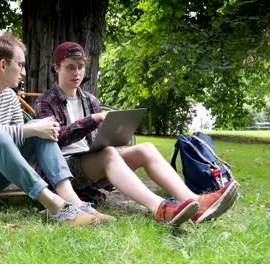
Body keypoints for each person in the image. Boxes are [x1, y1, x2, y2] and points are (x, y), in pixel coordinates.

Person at [35, 41, 240, 227]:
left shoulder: (90, 100)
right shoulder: (45, 102)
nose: (76, 73)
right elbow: (56, 138)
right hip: (65, 171)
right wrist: (93, 120)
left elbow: (97, 140)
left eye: (80, 67)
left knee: (145, 149)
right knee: (108, 154)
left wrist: (113, 139)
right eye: (70, 67)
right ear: (56, 68)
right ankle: (161, 208)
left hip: (93, 163)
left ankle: (195, 202)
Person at [0, 33, 114, 226]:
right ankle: (55, 205)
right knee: (1, 133)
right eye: (20, 64)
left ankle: (73, 201)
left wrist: (39, 130)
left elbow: (22, 137)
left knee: (39, 127)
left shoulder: (9, 96)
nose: (23, 72)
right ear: (3, 65)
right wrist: (32, 130)